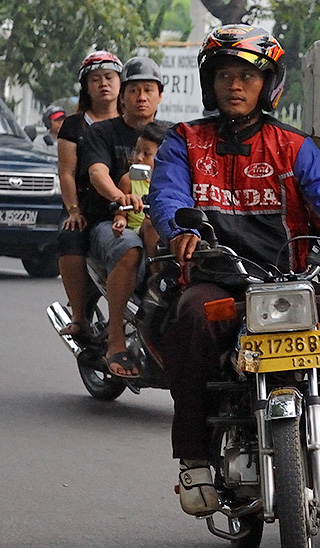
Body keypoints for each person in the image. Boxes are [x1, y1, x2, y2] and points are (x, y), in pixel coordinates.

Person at [148, 24, 320, 515]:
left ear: (269, 85)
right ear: (209, 82)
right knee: (191, 321)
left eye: (247, 75)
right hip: (217, 281)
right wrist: (180, 228)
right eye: (224, 75)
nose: (234, 86)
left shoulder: (294, 146)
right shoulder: (184, 141)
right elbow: (169, 195)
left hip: (293, 284)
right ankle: (195, 459)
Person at [79, 56, 164, 377]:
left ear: (160, 96)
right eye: (134, 90)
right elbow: (97, 171)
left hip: (158, 220)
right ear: (122, 95)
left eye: (148, 90)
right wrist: (119, 198)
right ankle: (116, 340)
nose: (141, 97)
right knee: (130, 248)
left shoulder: (173, 136)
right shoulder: (102, 132)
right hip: (111, 222)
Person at [57, 51, 123, 338]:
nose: (103, 84)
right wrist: (73, 209)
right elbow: (67, 172)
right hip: (89, 208)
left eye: (109, 78)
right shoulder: (74, 125)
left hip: (129, 208)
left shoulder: (131, 123)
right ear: (86, 87)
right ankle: (79, 316)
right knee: (69, 237)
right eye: (95, 79)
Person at [114, 121, 170, 263]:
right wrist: (120, 221)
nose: (139, 157)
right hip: (141, 229)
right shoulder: (128, 180)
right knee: (151, 223)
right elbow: (120, 214)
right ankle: (155, 271)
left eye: (146, 154)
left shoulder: (172, 181)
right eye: (137, 151)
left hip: (168, 227)